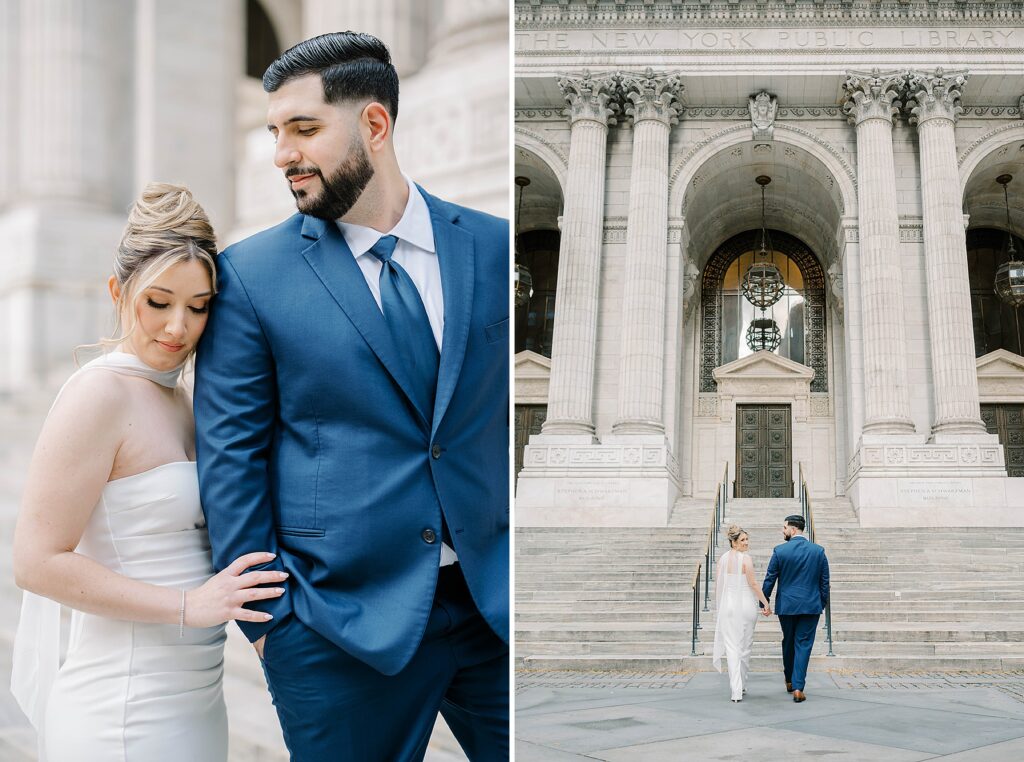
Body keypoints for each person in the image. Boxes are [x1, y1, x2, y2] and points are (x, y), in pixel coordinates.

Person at [192, 31, 509, 761]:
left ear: (374, 124)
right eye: (276, 132)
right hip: (339, 629)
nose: (282, 154)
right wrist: (275, 629)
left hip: (495, 610)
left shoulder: (492, 247)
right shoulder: (250, 276)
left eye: (304, 129)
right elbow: (230, 462)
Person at [9, 183, 285, 761]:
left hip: (198, 703)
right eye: (158, 303)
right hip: (122, 714)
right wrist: (189, 606)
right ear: (118, 291)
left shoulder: (184, 400)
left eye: (199, 305)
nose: (178, 327)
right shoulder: (97, 396)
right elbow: (35, 563)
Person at [761, 514, 830, 703]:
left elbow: (770, 578)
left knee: (789, 641)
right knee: (804, 644)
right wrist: (820, 602)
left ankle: (790, 680)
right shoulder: (818, 551)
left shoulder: (780, 551)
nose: (782, 531)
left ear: (792, 529)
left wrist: (763, 601)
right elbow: (825, 582)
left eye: (784, 528)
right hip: (810, 605)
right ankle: (799, 686)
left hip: (787, 605)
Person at [713, 525, 773, 702]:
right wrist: (766, 602)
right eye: (742, 540)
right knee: (745, 646)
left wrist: (721, 606)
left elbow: (719, 585)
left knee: (733, 647)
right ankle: (740, 686)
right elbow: (753, 584)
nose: (746, 543)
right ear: (733, 542)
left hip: (728, 606)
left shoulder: (722, 559)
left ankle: (737, 689)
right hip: (746, 605)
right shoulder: (746, 559)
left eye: (747, 539)